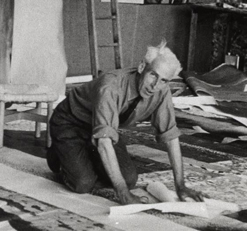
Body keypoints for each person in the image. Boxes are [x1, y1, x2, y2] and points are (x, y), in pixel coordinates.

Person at [47, 40, 204, 205]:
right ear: (142, 67)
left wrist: (181, 186)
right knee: (82, 183)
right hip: (71, 122)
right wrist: (122, 193)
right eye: (153, 75)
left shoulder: (161, 91)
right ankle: (57, 156)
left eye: (164, 80)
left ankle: (84, 155)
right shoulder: (110, 86)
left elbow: (170, 136)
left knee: (128, 179)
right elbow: (104, 142)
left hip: (102, 128)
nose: (155, 85)